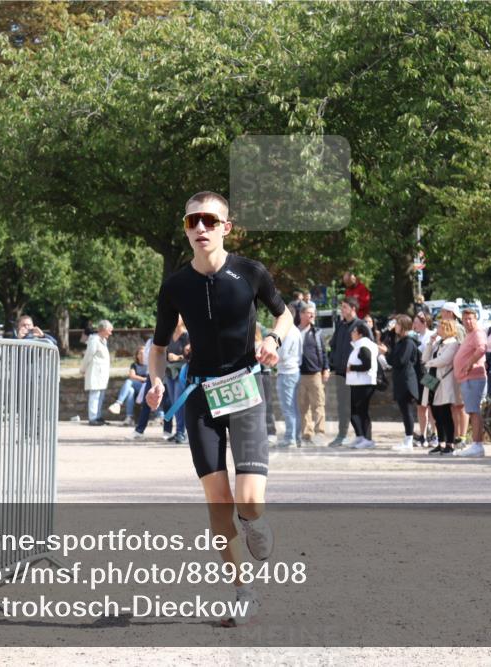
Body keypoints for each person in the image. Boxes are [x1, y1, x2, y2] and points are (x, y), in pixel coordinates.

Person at [144, 191, 292, 627]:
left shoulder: (250, 272)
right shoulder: (175, 285)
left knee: (248, 500)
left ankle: (254, 520)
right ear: (186, 229)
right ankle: (242, 591)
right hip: (201, 396)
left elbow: (283, 316)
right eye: (193, 221)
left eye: (210, 220)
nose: (201, 228)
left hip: (245, 390)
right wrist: (155, 380)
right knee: (217, 502)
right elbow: (158, 347)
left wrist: (273, 341)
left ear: (226, 227)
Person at [451, 308, 487, 458]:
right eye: (465, 319)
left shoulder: (478, 333)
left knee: (474, 411)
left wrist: (469, 363)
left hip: (473, 377)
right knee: (472, 411)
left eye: (470, 318)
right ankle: (476, 444)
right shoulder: (469, 334)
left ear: (476, 319)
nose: (468, 322)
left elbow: (481, 349)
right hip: (467, 378)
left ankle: (477, 445)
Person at [422, 319, 461, 455]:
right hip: (431, 379)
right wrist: (430, 343)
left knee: (445, 413)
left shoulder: (453, 343)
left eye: (439, 326)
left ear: (446, 328)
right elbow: (424, 358)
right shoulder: (438, 343)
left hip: (443, 381)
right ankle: (441, 442)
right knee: (435, 413)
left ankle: (450, 443)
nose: (436, 329)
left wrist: (429, 364)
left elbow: (444, 360)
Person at [327, 296, 360, 447]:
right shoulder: (341, 325)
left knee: (355, 406)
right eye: (342, 307)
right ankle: (342, 434)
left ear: (353, 309)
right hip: (340, 372)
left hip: (355, 373)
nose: (342, 310)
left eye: (345, 307)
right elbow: (333, 345)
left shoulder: (360, 325)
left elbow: (368, 348)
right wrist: (332, 361)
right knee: (342, 405)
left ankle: (362, 436)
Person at [297, 303, 329, 446]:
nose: (312, 315)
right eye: (309, 313)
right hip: (298, 374)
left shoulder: (317, 332)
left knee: (319, 404)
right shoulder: (295, 331)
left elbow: (323, 352)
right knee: (303, 406)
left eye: (313, 313)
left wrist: (326, 368)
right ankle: (307, 435)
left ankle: (320, 433)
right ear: (301, 314)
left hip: (315, 374)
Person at [388, 315, 421, 451]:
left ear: (404, 326)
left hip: (407, 381)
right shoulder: (400, 341)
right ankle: (407, 438)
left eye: (397, 324)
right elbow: (392, 359)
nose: (395, 326)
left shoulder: (408, 342)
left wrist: (387, 356)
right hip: (401, 380)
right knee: (404, 410)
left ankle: (409, 440)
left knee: (407, 411)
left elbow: (400, 361)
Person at [345, 321, 379, 449]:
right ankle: (360, 436)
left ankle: (367, 438)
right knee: (354, 410)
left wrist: (352, 367)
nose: (352, 334)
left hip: (363, 383)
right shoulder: (358, 346)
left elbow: (367, 364)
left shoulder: (363, 346)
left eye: (354, 332)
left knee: (362, 411)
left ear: (360, 334)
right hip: (357, 383)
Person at [439, 302, 468, 445]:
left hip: (457, 370)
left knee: (460, 404)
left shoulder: (458, 328)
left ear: (451, 313)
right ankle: (455, 434)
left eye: (444, 311)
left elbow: (461, 349)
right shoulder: (444, 327)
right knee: (452, 405)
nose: (442, 314)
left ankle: (462, 435)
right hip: (448, 371)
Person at [275, 309, 302, 448]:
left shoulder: (289, 332)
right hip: (294, 370)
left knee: (288, 408)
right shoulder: (296, 331)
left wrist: (272, 352)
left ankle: (290, 438)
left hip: (286, 372)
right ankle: (296, 437)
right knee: (294, 407)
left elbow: (282, 354)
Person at [80, 319, 113, 426]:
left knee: (101, 395)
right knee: (95, 395)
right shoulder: (94, 340)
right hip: (95, 373)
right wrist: (83, 369)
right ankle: (93, 417)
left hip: (101, 374)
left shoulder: (103, 340)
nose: (110, 333)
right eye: (109, 330)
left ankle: (98, 416)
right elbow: (88, 355)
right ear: (103, 329)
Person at [411, 311, 438, 446]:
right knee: (421, 406)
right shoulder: (415, 336)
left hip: (429, 374)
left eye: (416, 322)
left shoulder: (431, 336)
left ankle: (434, 434)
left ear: (424, 323)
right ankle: (423, 435)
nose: (414, 324)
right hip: (418, 374)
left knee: (431, 405)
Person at [163, 318, 191, 443]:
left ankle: (181, 432)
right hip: (169, 372)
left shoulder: (188, 335)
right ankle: (179, 431)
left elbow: (192, 354)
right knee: (175, 403)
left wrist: (178, 356)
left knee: (180, 402)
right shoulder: (169, 334)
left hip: (182, 372)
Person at [108, 345, 148, 426]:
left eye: (143, 353)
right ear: (137, 355)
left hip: (146, 388)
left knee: (129, 381)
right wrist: (143, 379)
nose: (141, 355)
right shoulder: (134, 365)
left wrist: (142, 379)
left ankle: (118, 403)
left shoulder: (149, 364)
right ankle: (129, 418)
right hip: (137, 387)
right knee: (130, 391)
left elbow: (134, 378)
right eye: (140, 353)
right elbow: (132, 375)